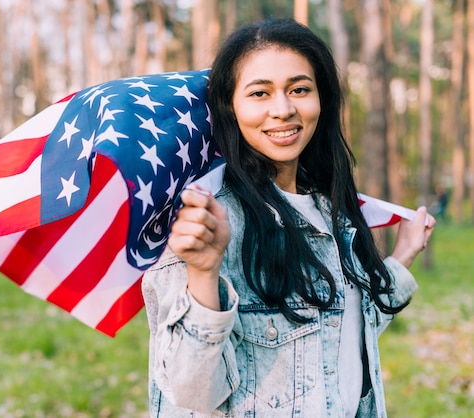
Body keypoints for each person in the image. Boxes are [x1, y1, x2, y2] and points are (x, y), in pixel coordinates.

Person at [142, 18, 435, 417]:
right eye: (259, 93)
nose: (283, 110)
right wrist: (203, 274)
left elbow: (340, 334)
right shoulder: (204, 221)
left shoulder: (333, 211)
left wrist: (400, 261)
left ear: (322, 99)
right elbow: (191, 391)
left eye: (299, 89)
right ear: (231, 106)